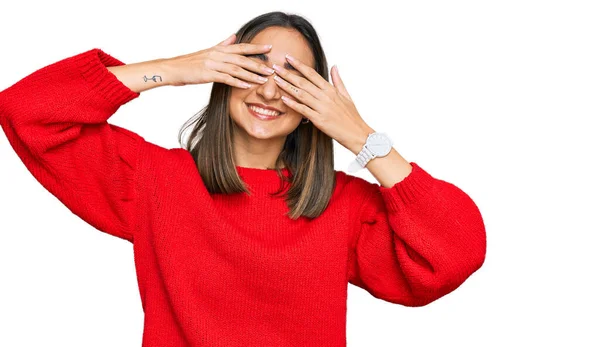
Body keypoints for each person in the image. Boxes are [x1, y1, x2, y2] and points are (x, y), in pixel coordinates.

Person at [0, 10, 486, 347]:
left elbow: (456, 253)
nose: (271, 90)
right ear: (224, 74)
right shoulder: (155, 180)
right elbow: (27, 111)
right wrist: (174, 70)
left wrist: (359, 135)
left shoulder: (340, 206)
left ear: (315, 102)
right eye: (255, 67)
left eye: (294, 78)